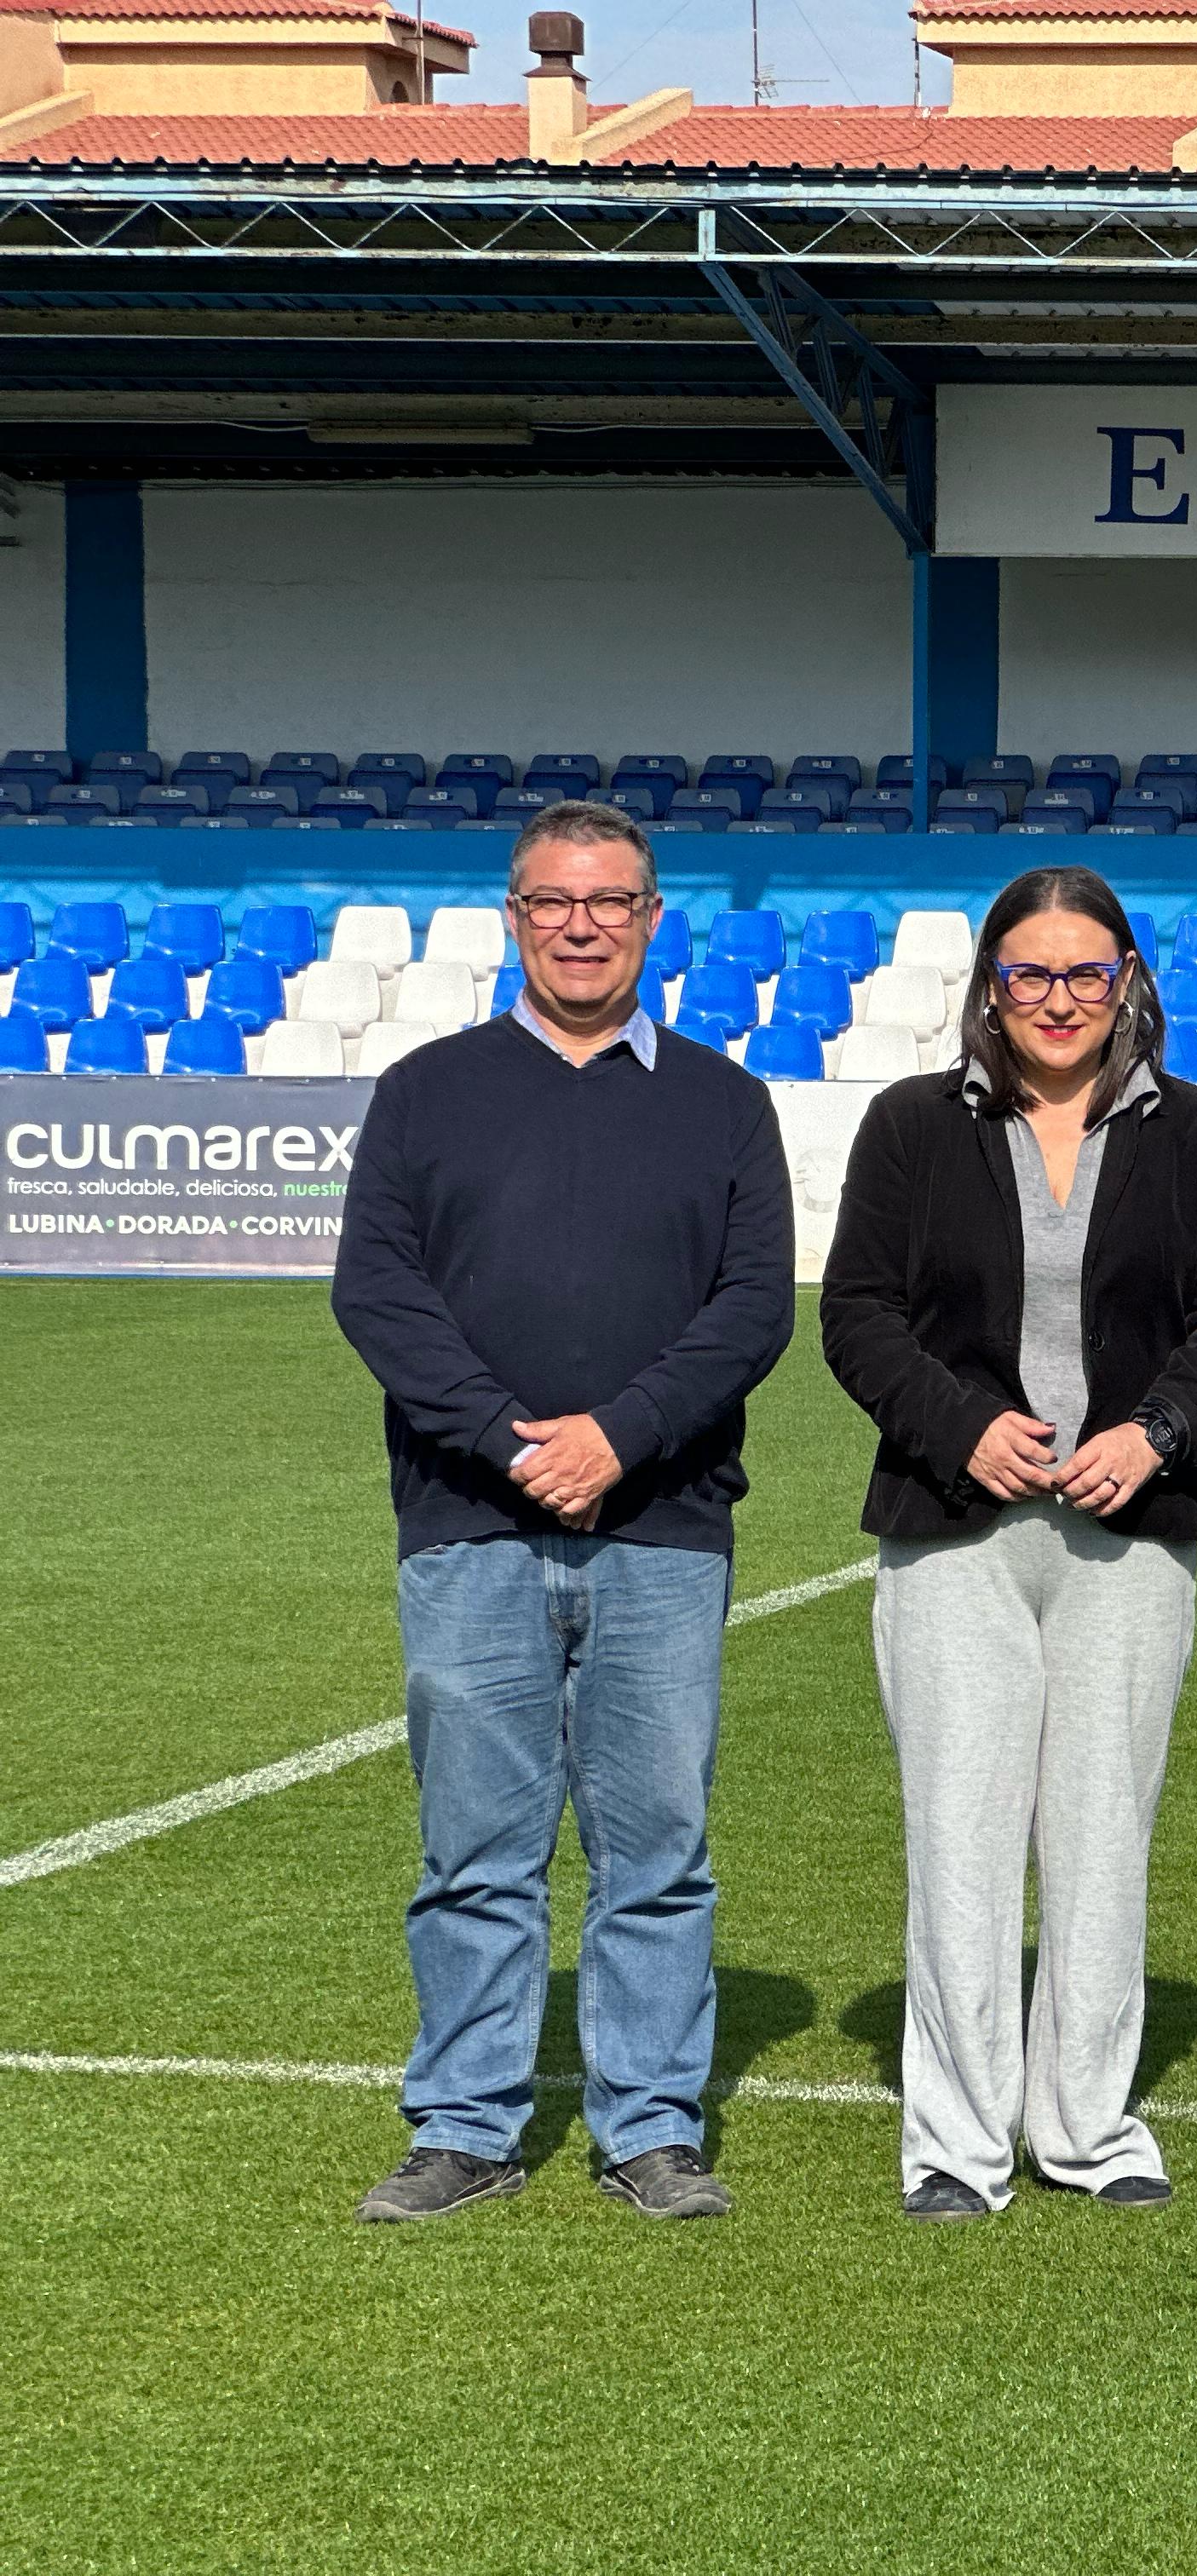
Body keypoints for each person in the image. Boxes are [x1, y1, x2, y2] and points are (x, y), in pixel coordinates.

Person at [331, 801, 792, 2224]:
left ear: (654, 921)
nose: (582, 924)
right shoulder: (423, 1091)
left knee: (658, 1853)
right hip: (468, 1528)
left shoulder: (722, 1099)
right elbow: (379, 1293)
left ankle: (649, 2127)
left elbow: (752, 1307)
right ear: (515, 919)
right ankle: (465, 2125)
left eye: (611, 901)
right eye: (553, 902)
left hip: (661, 1533)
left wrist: (619, 1438)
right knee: (476, 1853)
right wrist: (506, 1443)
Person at [820, 866, 1197, 2223]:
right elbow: (858, 1314)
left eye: (1085, 974)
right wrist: (961, 1424)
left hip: (1131, 1536)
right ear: (989, 989)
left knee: (1100, 1833)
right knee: (958, 1837)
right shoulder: (910, 1125)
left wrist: (1162, 1434)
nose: (1058, 1001)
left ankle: (1087, 2125)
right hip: (954, 1533)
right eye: (1030, 975)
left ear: (1127, 977)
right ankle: (955, 2143)